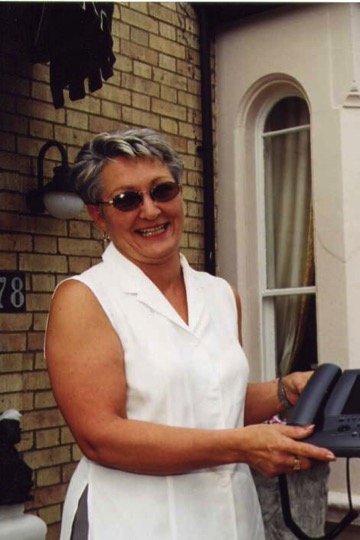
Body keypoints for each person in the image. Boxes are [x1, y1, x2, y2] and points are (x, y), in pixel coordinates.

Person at [45, 128, 335, 540]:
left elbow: (213, 400)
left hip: (230, 520)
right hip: (134, 522)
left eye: (162, 191)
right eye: (127, 199)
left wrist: (285, 392)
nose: (150, 211)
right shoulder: (85, 298)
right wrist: (240, 446)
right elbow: (101, 439)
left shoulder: (219, 294)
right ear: (98, 215)